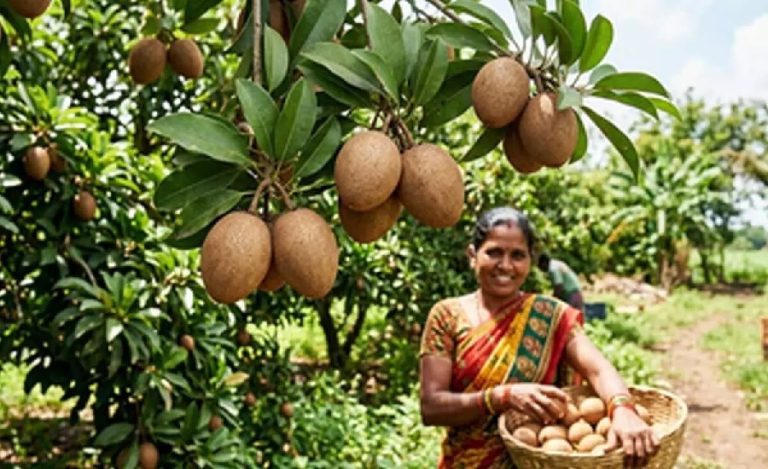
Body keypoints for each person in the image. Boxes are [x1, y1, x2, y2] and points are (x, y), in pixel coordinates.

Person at [419, 207, 658, 468]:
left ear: (530, 261)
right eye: (494, 252)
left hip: (537, 460)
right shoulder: (447, 316)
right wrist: (500, 397)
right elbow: (432, 407)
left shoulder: (550, 315)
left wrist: (623, 409)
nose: (506, 265)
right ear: (473, 255)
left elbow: (598, 369)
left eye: (518, 255)